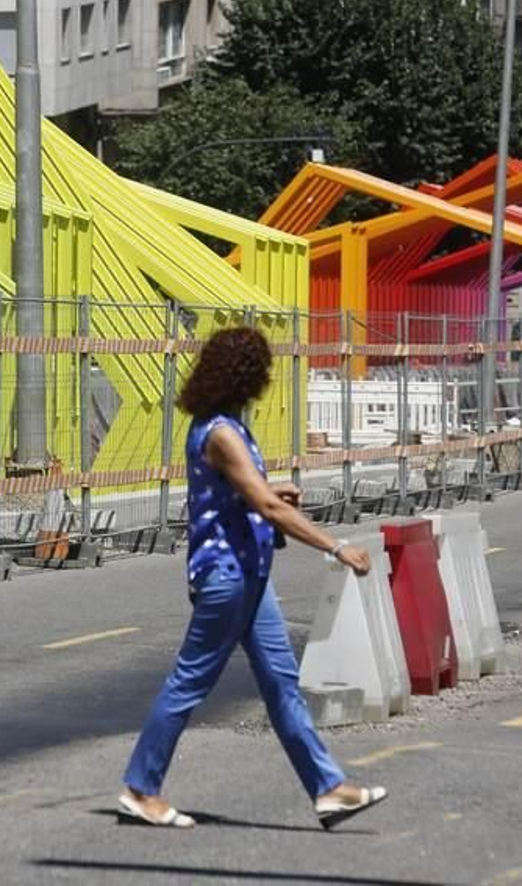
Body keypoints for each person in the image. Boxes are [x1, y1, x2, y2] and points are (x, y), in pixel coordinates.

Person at [118, 326, 388, 831]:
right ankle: (140, 788)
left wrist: (271, 489)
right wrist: (336, 546)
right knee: (188, 683)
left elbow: (249, 493)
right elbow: (261, 504)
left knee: (282, 683)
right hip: (227, 577)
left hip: (250, 576)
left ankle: (328, 788)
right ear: (246, 376)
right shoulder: (220, 433)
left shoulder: (226, 426)